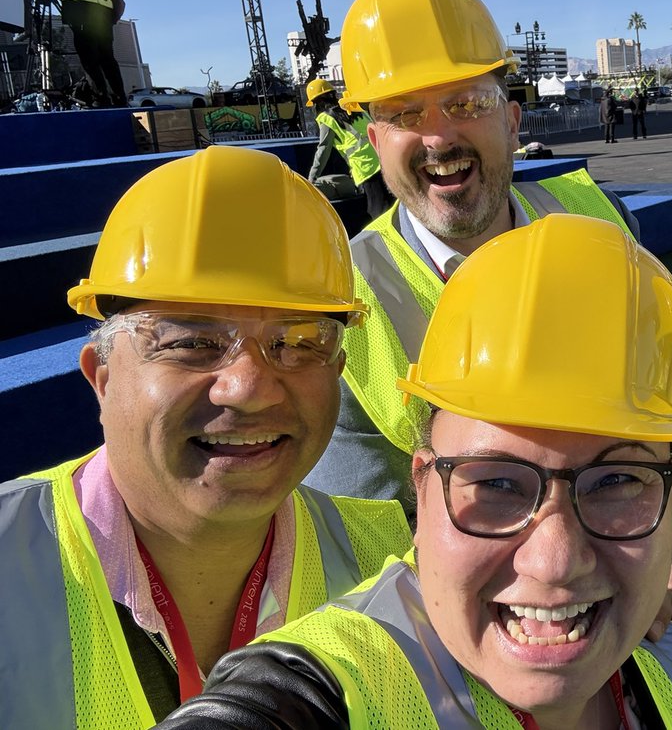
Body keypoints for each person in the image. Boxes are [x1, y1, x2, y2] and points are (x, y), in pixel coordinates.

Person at [157, 213, 672, 729]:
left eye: (617, 482)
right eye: (497, 482)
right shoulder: (329, 690)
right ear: (420, 486)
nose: (554, 562)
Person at [303, 0, 672, 536]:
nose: (438, 137)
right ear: (376, 142)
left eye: (466, 104)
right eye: (405, 113)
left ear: (511, 123)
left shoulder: (594, 215)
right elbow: (364, 526)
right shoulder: (343, 295)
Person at [0, 146, 411, 728]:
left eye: (297, 343)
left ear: (338, 374)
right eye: (192, 342)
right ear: (103, 377)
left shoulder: (393, 567)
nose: (249, 388)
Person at [305, 78, 393, 218]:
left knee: (377, 209)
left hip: (365, 166)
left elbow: (323, 149)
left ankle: (386, 237)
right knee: (392, 202)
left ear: (317, 103)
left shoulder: (326, 118)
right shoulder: (352, 107)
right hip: (383, 158)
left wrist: (312, 178)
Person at [53, 0, 127, 107]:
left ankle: (100, 99)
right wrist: (110, 20)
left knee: (90, 62)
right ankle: (120, 98)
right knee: (108, 61)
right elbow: (120, 4)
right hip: (103, 26)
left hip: (81, 23)